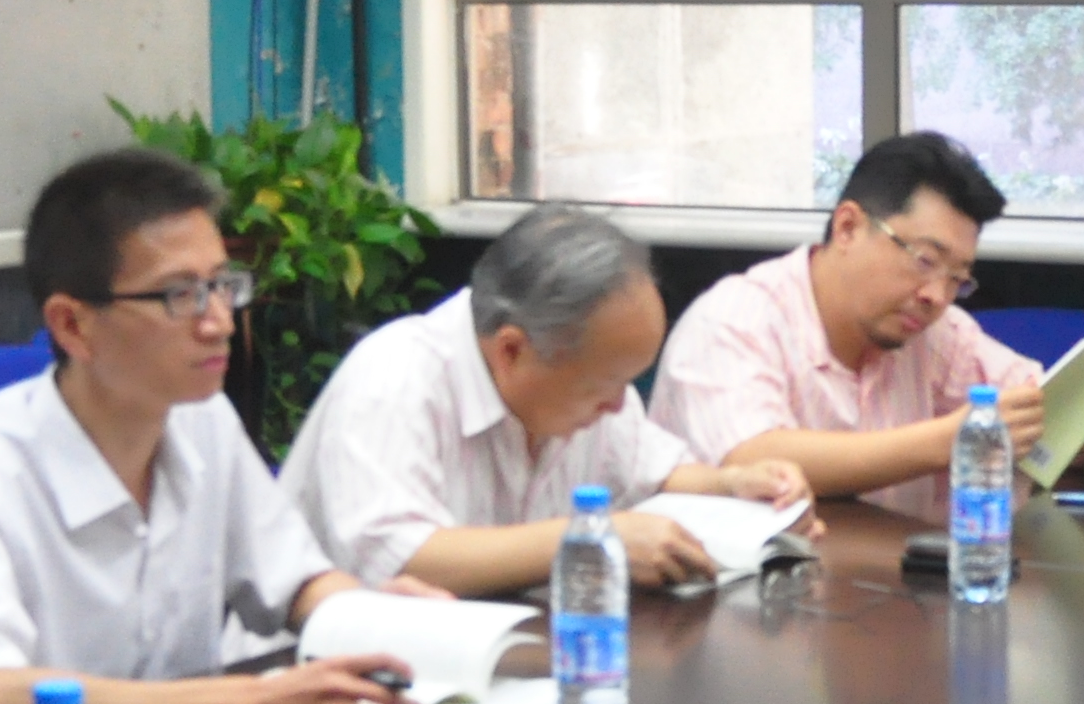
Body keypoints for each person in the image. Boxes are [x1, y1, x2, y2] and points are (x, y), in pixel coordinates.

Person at [0, 146, 424, 704]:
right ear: (72, 325)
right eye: (179, 295)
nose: (220, 321)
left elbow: (295, 582)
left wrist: (369, 617)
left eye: (222, 285)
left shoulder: (202, 419)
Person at [278, 203, 812, 596]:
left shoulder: (583, 380)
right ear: (512, 350)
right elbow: (401, 559)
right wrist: (590, 540)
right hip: (317, 679)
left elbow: (652, 471)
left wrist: (733, 484)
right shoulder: (394, 378)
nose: (618, 405)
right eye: (603, 386)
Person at [652, 132, 1084, 520]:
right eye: (925, 261)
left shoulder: (935, 332)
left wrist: (1072, 428)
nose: (937, 296)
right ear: (847, 228)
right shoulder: (733, 320)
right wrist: (948, 440)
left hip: (889, 578)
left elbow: (1031, 394)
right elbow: (754, 457)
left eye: (956, 279)